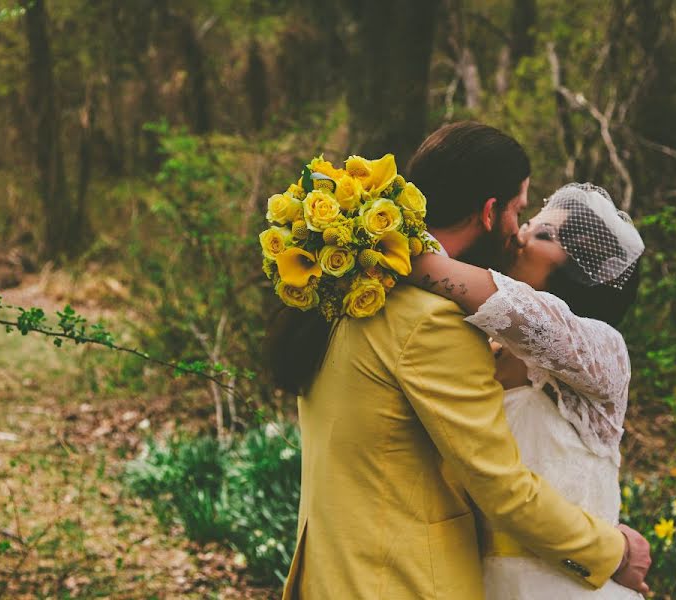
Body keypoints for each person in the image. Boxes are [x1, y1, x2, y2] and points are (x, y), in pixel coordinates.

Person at [265, 122, 651, 599]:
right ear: (491, 212)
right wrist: (613, 552)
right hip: (402, 583)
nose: (521, 233)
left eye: (540, 228)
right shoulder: (433, 323)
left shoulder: (351, 293)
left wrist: (378, 250)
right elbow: (502, 488)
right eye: (520, 213)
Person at [407, 181, 645, 599]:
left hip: (569, 585)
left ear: (583, 271)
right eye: (529, 221)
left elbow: (525, 313)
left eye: (544, 234)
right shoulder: (472, 347)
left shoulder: (603, 350)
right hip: (478, 583)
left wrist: (398, 253)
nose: (519, 234)